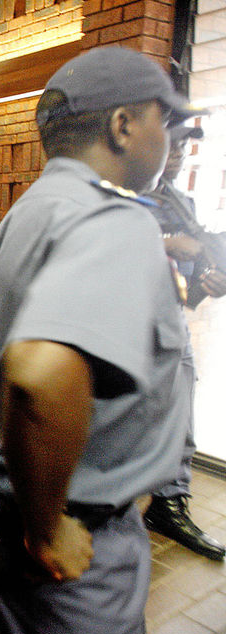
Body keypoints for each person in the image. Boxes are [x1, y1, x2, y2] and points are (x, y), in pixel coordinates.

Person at [0, 46, 205, 634]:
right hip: (70, 529)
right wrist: (46, 526)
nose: (173, 138)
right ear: (124, 125)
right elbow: (39, 372)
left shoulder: (26, 214)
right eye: (167, 119)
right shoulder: (118, 221)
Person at [143, 123, 226, 561]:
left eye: (183, 146)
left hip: (170, 326)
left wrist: (208, 284)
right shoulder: (116, 197)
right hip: (122, 327)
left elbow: (187, 289)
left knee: (180, 420)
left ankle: (169, 504)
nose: (177, 152)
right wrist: (166, 245)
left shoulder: (184, 204)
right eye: (169, 142)